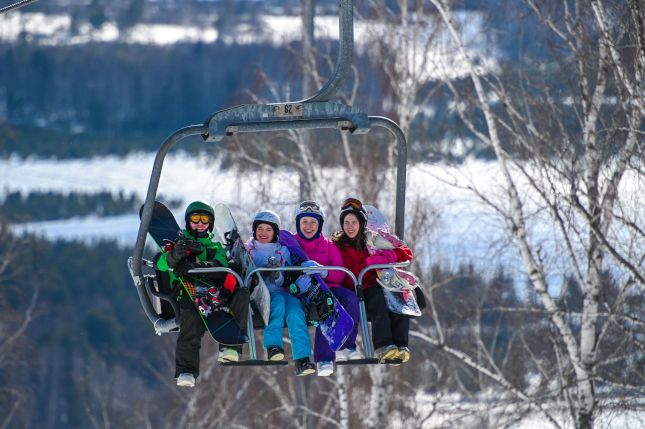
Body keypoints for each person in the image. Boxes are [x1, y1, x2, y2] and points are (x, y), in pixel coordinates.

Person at [155, 201, 250, 387]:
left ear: (210, 223)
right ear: (188, 221)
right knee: (191, 317)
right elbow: (161, 264)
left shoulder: (215, 248)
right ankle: (186, 370)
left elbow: (221, 266)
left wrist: (197, 266)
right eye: (195, 219)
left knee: (242, 294)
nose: (199, 223)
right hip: (187, 293)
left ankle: (230, 348)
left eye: (204, 219)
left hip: (213, 293)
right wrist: (175, 256)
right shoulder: (177, 244)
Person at [332, 197, 414, 363]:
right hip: (361, 286)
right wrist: (369, 263)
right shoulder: (339, 245)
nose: (350, 227)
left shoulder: (372, 239)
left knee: (400, 295)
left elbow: (405, 251)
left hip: (382, 283)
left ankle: (400, 344)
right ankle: (383, 345)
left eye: (354, 222)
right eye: (346, 222)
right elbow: (348, 272)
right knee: (378, 300)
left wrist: (390, 255)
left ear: (361, 223)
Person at [293, 200, 362, 376]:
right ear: (298, 224)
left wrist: (323, 272)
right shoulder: (292, 244)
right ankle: (324, 359)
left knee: (350, 299)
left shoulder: (329, 246)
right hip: (302, 292)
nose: (309, 226)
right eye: (305, 222)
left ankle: (347, 345)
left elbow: (340, 274)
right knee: (324, 304)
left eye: (313, 222)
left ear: (319, 224)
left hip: (328, 287)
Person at [245, 209, 316, 376]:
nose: (264, 233)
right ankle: (273, 346)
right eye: (260, 229)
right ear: (254, 230)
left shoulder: (282, 250)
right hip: (258, 293)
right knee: (277, 302)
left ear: (275, 232)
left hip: (279, 289)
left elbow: (287, 278)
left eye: (269, 230)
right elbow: (246, 274)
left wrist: (277, 276)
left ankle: (302, 359)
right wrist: (262, 273)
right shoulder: (249, 249)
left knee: (295, 309)